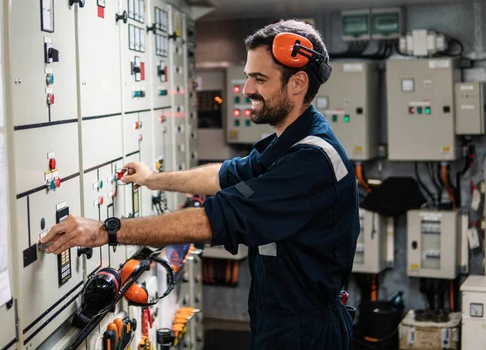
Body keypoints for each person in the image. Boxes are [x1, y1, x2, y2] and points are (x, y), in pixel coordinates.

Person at [40, 19, 360, 349]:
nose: (247, 89)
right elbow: (225, 176)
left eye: (259, 78)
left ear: (298, 83)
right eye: (248, 75)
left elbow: (213, 219)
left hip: (307, 333)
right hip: (282, 321)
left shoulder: (311, 161)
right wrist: (154, 180)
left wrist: (105, 231)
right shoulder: (288, 144)